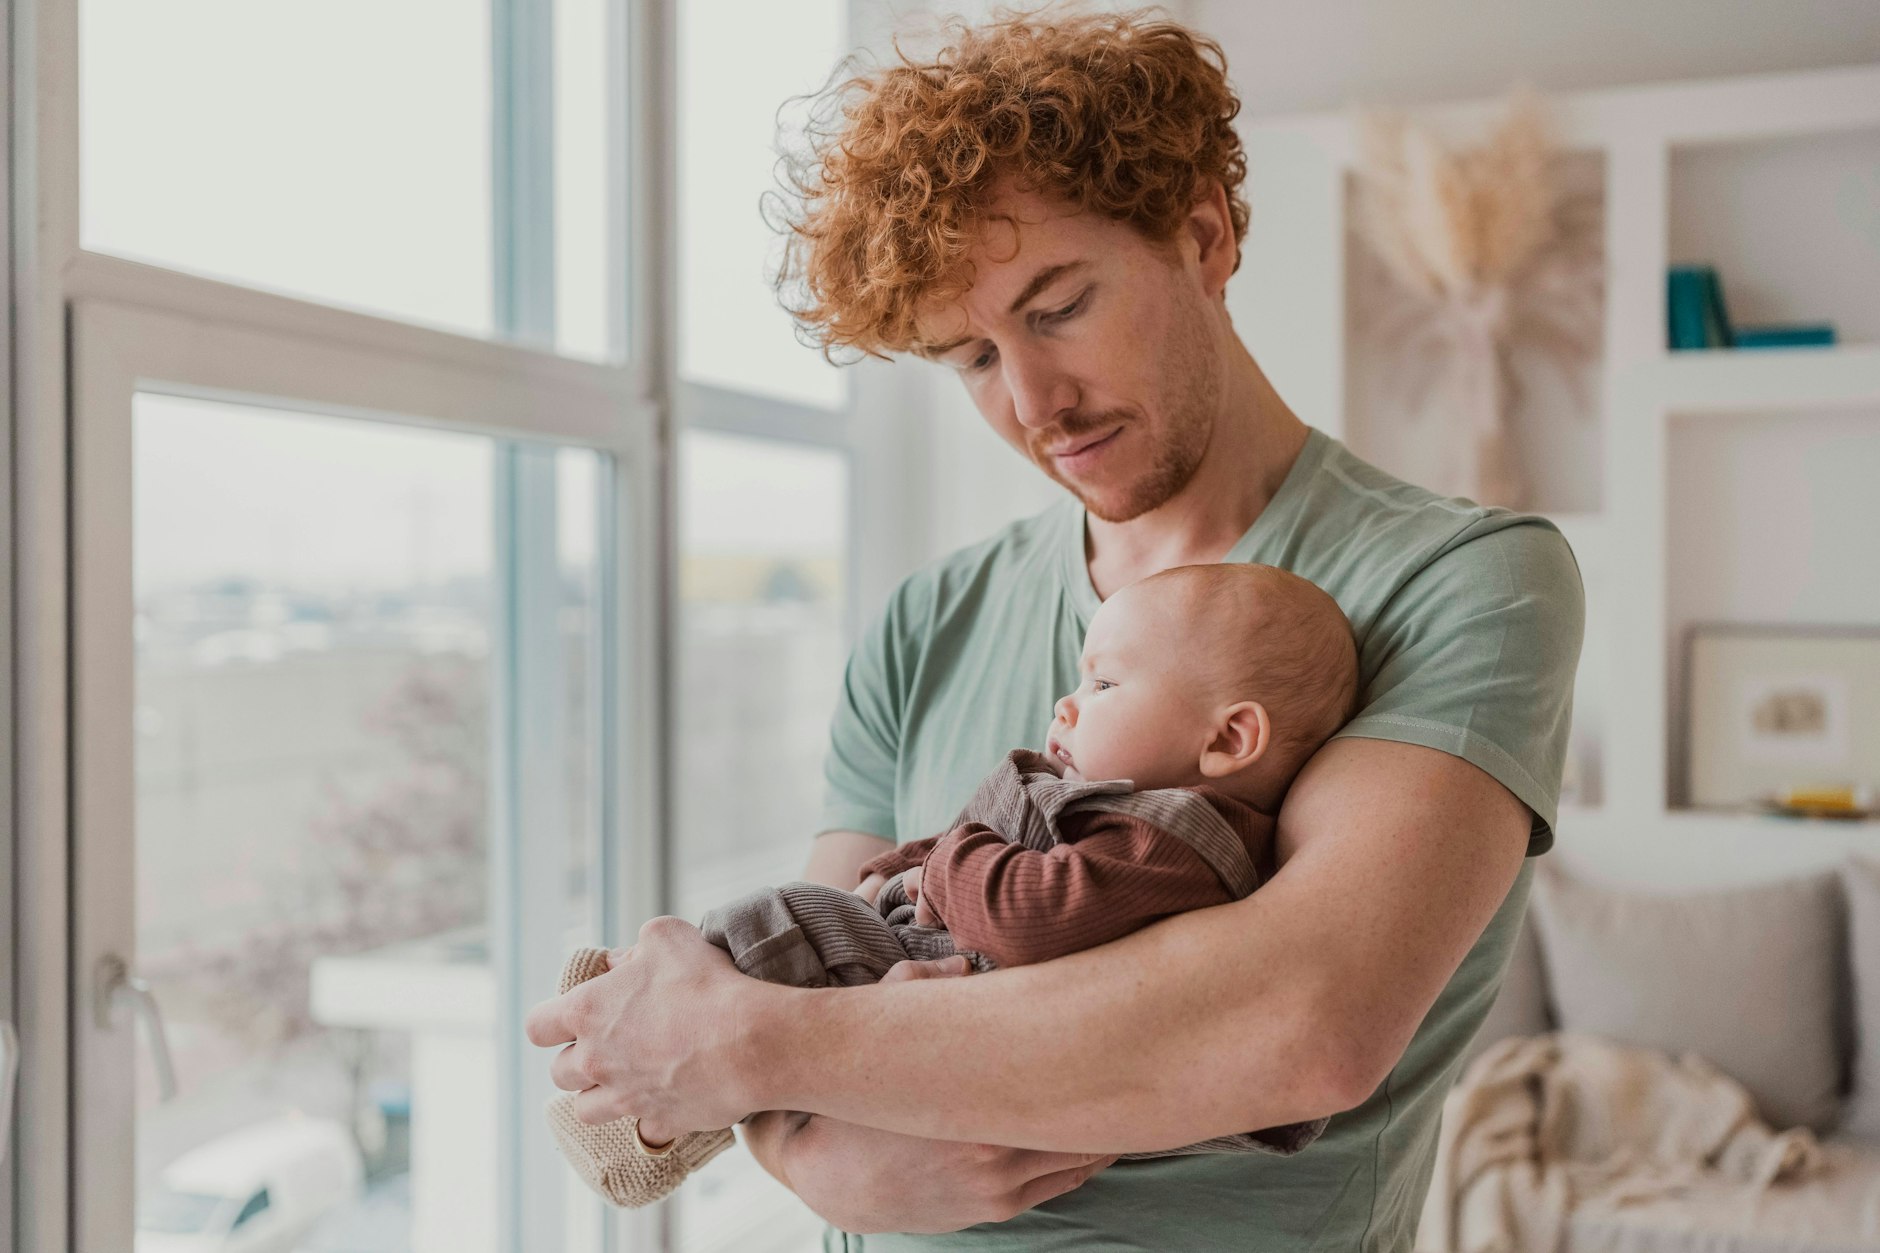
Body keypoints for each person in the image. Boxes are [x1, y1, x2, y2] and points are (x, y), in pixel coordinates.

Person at [526, 10, 1584, 1251]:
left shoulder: (1461, 580)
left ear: (1202, 236)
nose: (1032, 404)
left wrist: (745, 1050)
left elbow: (1297, 1026)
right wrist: (816, 1162)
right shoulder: (928, 618)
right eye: (971, 355)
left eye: (1058, 303)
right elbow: (816, 965)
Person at [549, 563, 1360, 1208]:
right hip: (911, 980)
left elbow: (1032, 915)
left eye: (1105, 686)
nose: (1067, 706)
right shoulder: (1122, 808)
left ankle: (633, 1103)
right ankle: (642, 1034)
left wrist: (943, 858)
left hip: (947, 981)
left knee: (778, 925)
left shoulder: (1174, 843)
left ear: (1229, 737)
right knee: (783, 934)